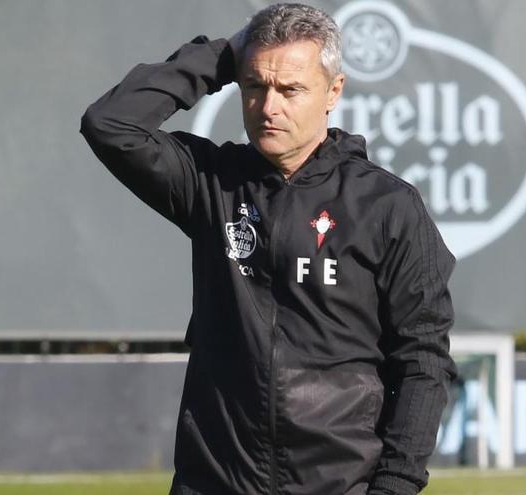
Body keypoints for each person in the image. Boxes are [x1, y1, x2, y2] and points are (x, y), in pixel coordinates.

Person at [80, 3, 456, 494]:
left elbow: (423, 360)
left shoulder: (388, 206)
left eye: (290, 89)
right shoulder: (209, 183)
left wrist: (396, 485)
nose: (268, 107)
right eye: (254, 86)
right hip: (214, 480)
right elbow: (110, 124)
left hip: (341, 484)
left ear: (333, 92)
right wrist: (222, 56)